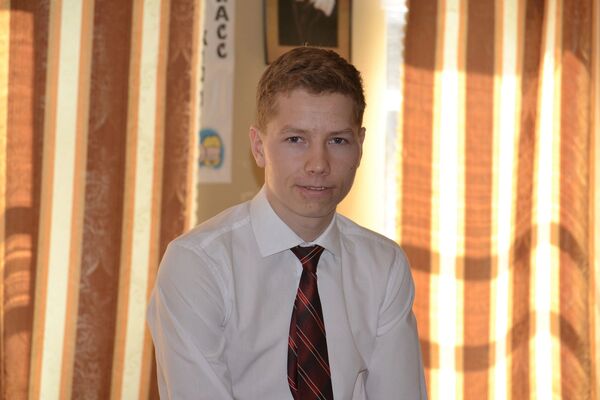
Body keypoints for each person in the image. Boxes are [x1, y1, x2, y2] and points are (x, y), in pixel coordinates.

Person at [147, 46, 427, 399]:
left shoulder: (383, 265)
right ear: (259, 146)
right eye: (296, 139)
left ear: (360, 146)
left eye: (337, 140)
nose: (318, 164)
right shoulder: (198, 265)